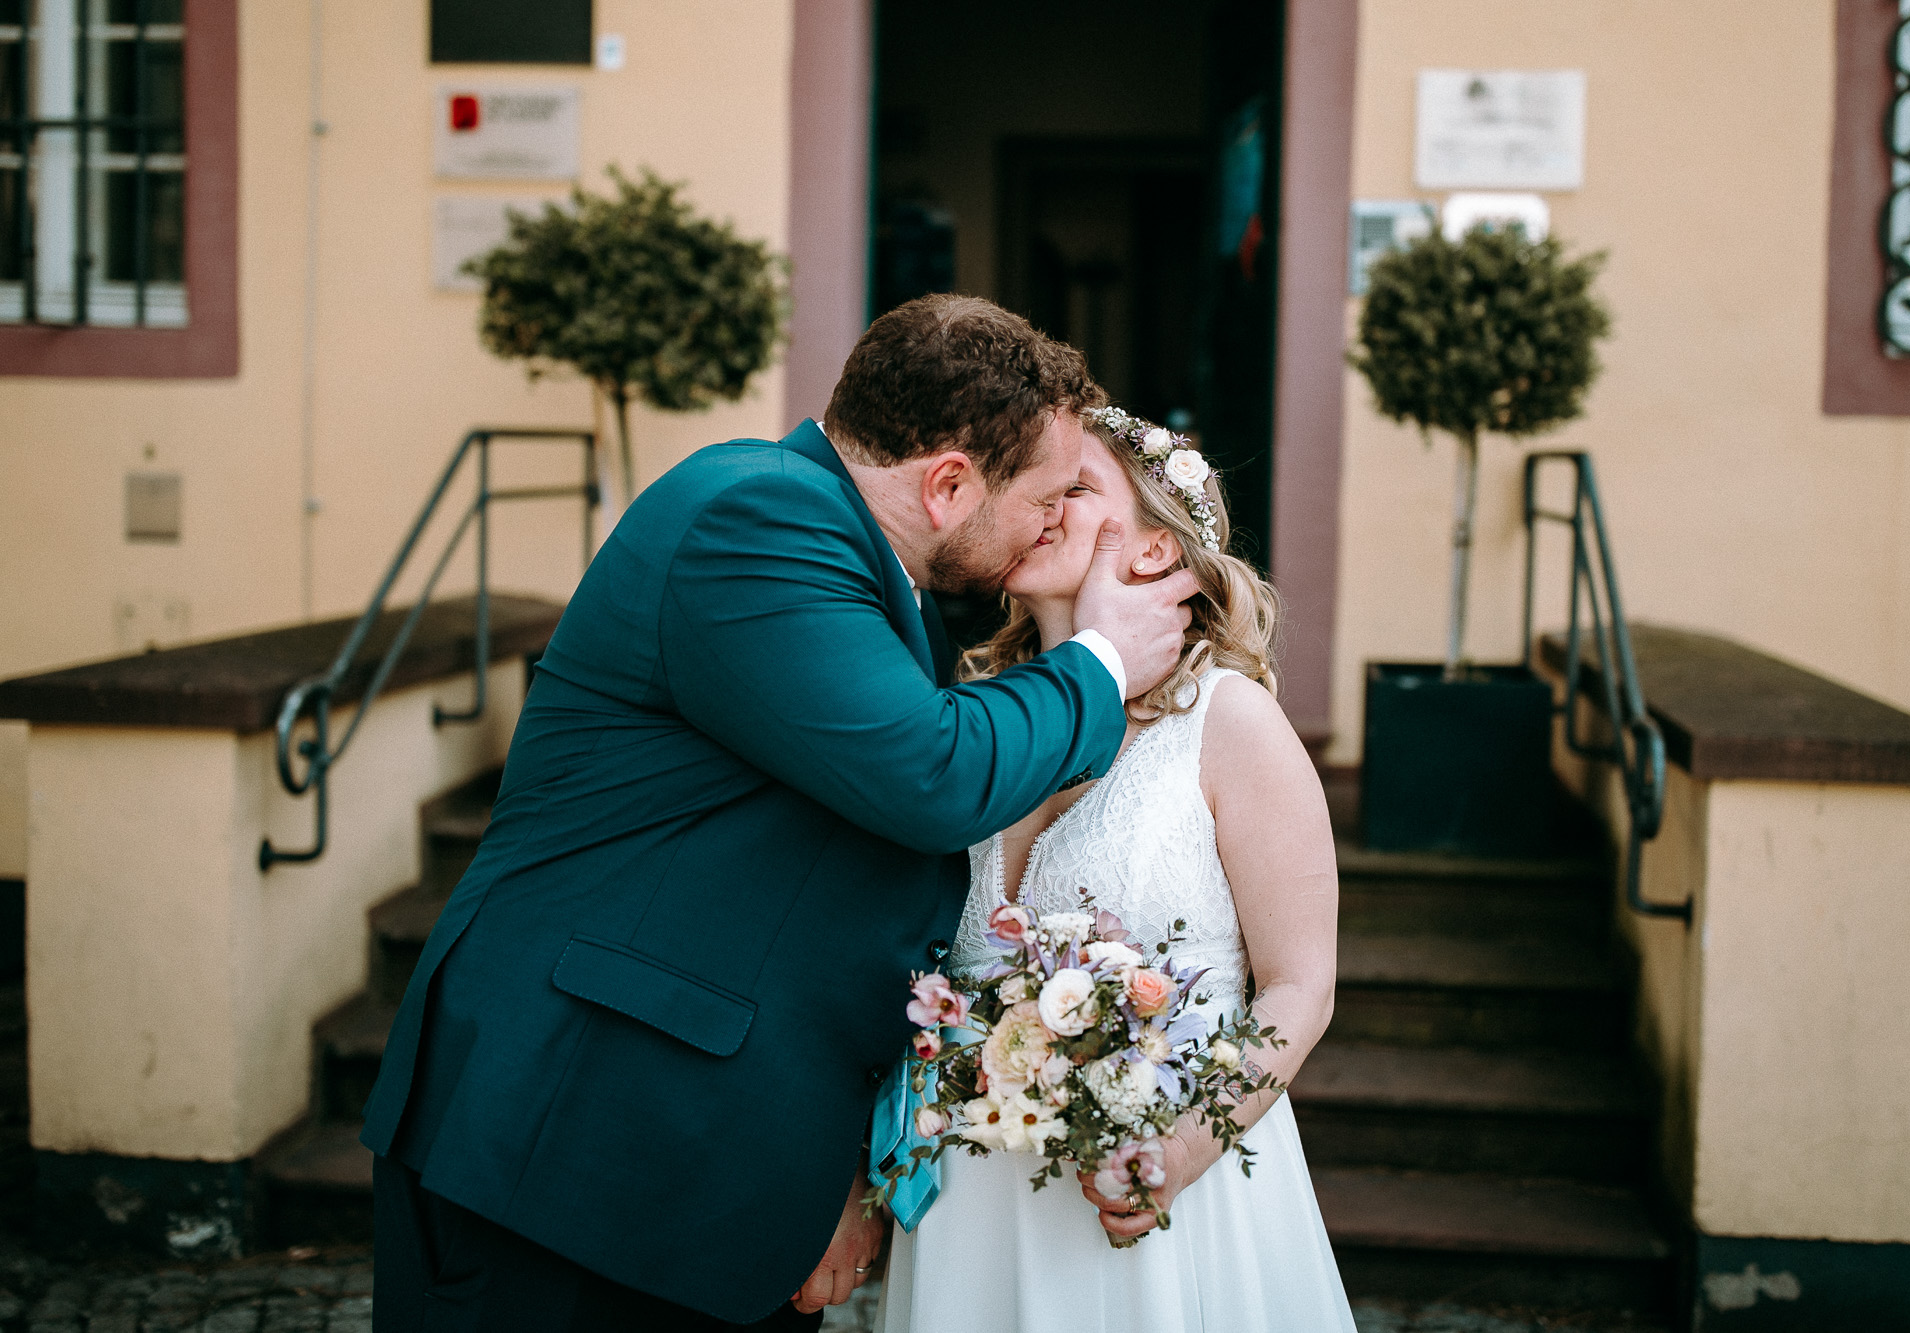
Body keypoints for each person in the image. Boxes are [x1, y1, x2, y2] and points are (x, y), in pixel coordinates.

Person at [360, 294, 1200, 1331]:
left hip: (699, 1165)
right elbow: (928, 776)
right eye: (1048, 493)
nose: (1054, 520)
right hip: (569, 1143)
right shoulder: (754, 516)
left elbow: (829, 900)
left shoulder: (863, 579)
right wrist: (1103, 659)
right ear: (946, 484)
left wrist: (829, 1175)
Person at [876, 407, 1356, 1332]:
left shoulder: (1228, 723)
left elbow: (1302, 986)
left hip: (1162, 1203)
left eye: (1075, 488)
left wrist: (1178, 1150)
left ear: (1151, 554)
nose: (1037, 502)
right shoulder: (973, 719)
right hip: (975, 1213)